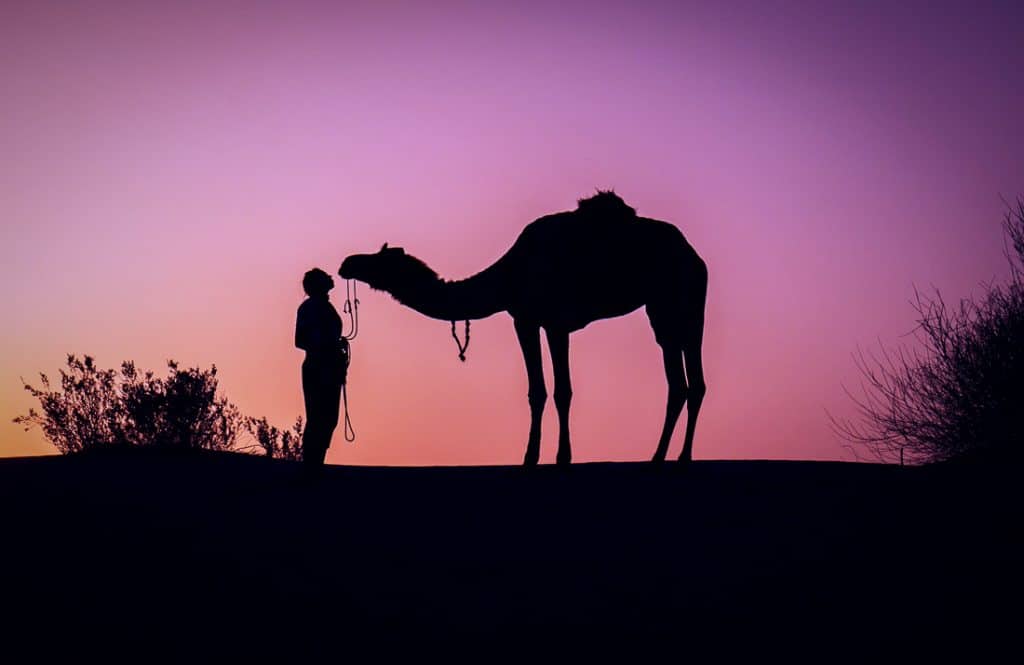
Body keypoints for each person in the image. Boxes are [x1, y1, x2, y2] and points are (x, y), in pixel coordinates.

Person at [295, 268, 348, 475]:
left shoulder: (322, 307)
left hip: (329, 367)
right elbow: (301, 340)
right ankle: (311, 467)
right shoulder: (310, 308)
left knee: (328, 418)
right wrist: (328, 345)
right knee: (319, 417)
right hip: (319, 367)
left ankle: (316, 465)